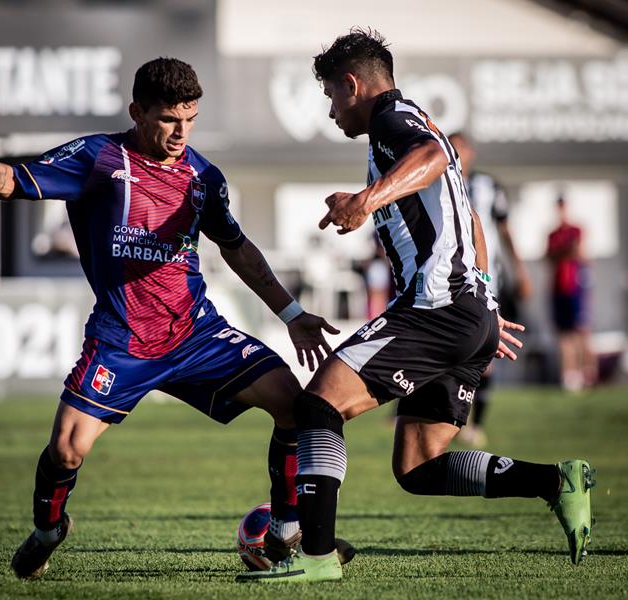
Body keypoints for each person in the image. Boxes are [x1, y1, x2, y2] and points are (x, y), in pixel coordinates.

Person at [0, 57, 352, 580]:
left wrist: (291, 313)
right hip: (123, 340)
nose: (182, 132)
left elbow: (237, 248)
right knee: (65, 451)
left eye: (191, 118)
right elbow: (11, 183)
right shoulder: (96, 158)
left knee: (295, 403)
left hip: (197, 334)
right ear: (137, 111)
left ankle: (288, 528)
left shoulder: (203, 176)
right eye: (169, 119)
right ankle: (48, 531)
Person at [239, 28, 595, 583]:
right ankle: (557, 482)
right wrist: (483, 303)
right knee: (420, 465)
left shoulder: (390, 119)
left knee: (317, 408)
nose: (331, 111)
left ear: (352, 85)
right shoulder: (411, 122)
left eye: (332, 96)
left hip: (434, 309)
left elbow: (431, 156)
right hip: (464, 310)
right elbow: (467, 214)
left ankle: (314, 556)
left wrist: (367, 200)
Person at [448, 132, 532, 447]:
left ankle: (475, 423)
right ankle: (453, 417)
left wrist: (520, 271)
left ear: (470, 152)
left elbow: (504, 231)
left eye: (460, 149)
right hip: (447, 283)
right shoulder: (434, 182)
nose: (456, 154)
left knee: (485, 353)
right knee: (453, 349)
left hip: (486, 283)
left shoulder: (487, 186)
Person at [546, 196, 597, 391]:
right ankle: (570, 375)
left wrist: (566, 252)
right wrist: (565, 251)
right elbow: (550, 257)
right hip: (558, 288)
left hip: (576, 287)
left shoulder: (576, 230)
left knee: (582, 330)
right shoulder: (553, 234)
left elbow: (581, 253)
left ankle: (589, 373)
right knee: (564, 334)